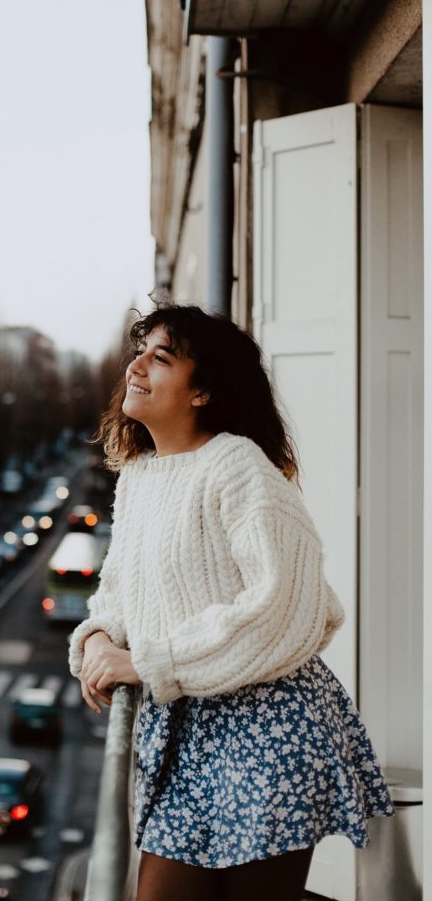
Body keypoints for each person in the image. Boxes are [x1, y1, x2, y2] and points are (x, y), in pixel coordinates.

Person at [68, 304, 394, 901]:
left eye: (161, 358)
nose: (136, 367)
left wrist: (145, 662)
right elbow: (119, 589)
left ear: (203, 392)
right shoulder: (139, 476)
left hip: (264, 728)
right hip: (182, 731)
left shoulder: (240, 468)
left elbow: (285, 609)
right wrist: (96, 638)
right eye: (139, 352)